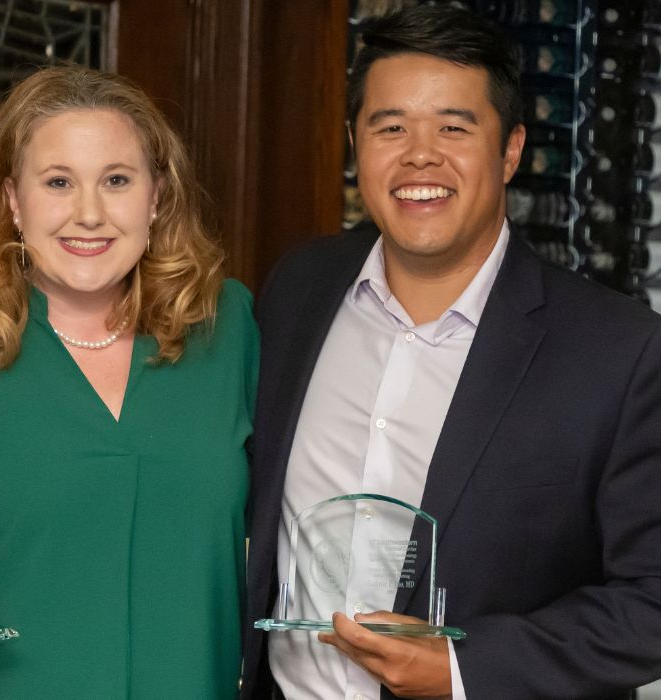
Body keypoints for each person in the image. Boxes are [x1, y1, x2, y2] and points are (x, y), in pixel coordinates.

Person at [243, 5, 661, 699]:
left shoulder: (617, 352)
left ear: (511, 150)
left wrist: (464, 670)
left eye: (454, 128)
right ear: (355, 142)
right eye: (391, 127)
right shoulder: (298, 289)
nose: (420, 155)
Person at [0, 66, 258, 698]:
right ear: (12, 200)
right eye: (58, 182)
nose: (88, 214)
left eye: (116, 180)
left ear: (157, 196)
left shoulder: (226, 327)